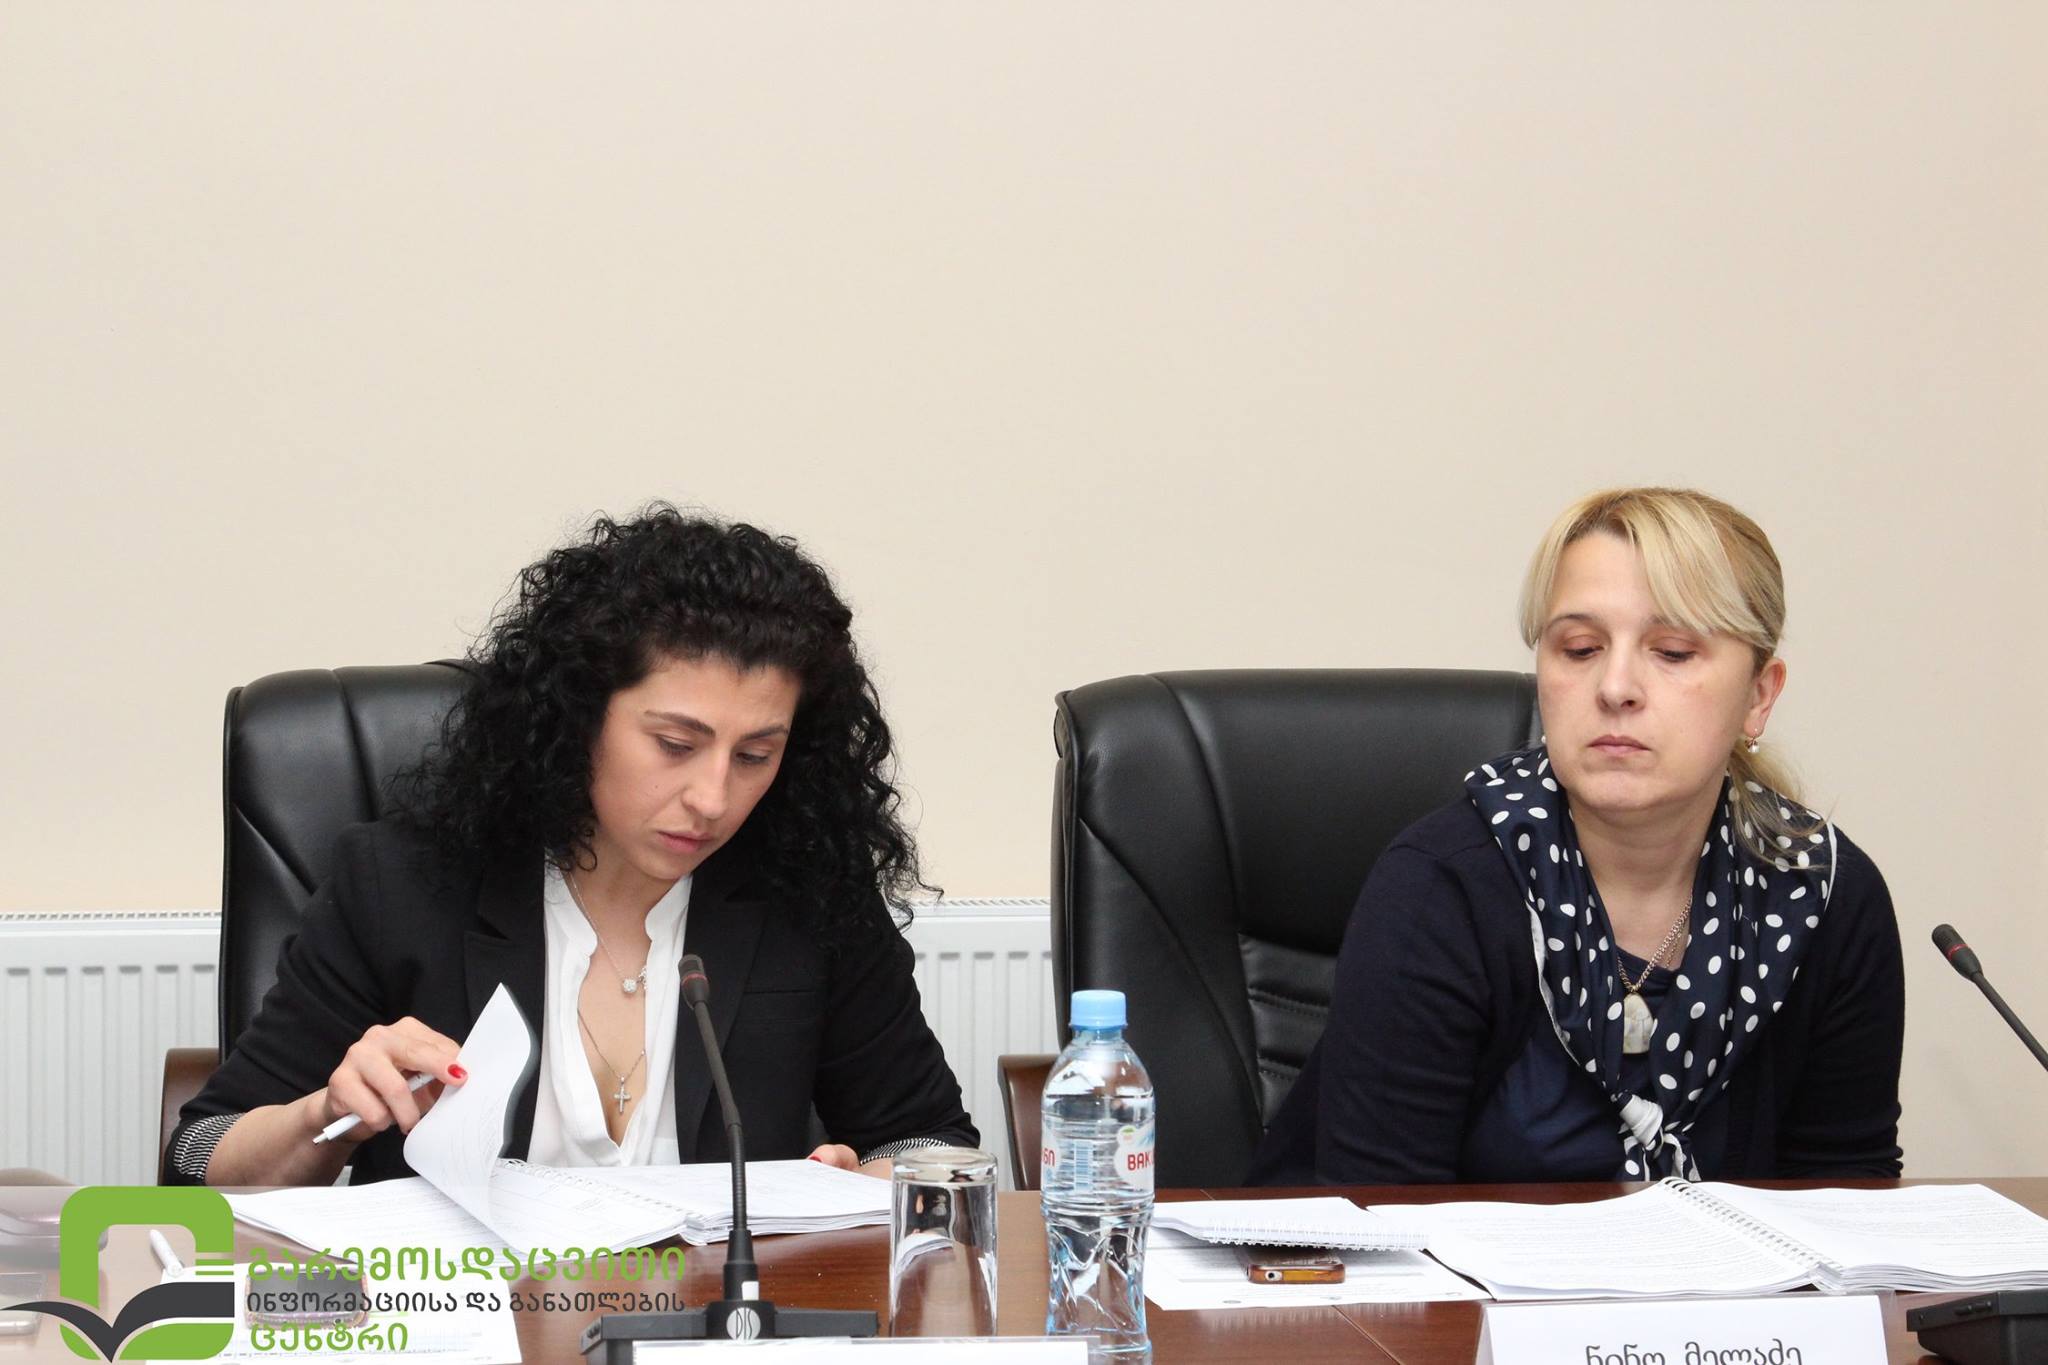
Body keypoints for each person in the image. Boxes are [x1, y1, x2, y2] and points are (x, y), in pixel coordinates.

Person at [167, 506, 977, 1186]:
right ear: (580, 713)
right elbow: (199, 1155)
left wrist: (873, 1184)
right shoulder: (401, 885)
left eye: (755, 754)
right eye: (675, 744)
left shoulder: (808, 891)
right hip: (467, 1314)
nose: (713, 796)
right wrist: (324, 1117)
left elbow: (933, 1138)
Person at [1252, 487, 1903, 1184]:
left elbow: (1846, 1207)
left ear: (1759, 695)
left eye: (1673, 651)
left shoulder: (1820, 896)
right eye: (1581, 648)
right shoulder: (1441, 887)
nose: (1615, 686)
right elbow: (1381, 1222)